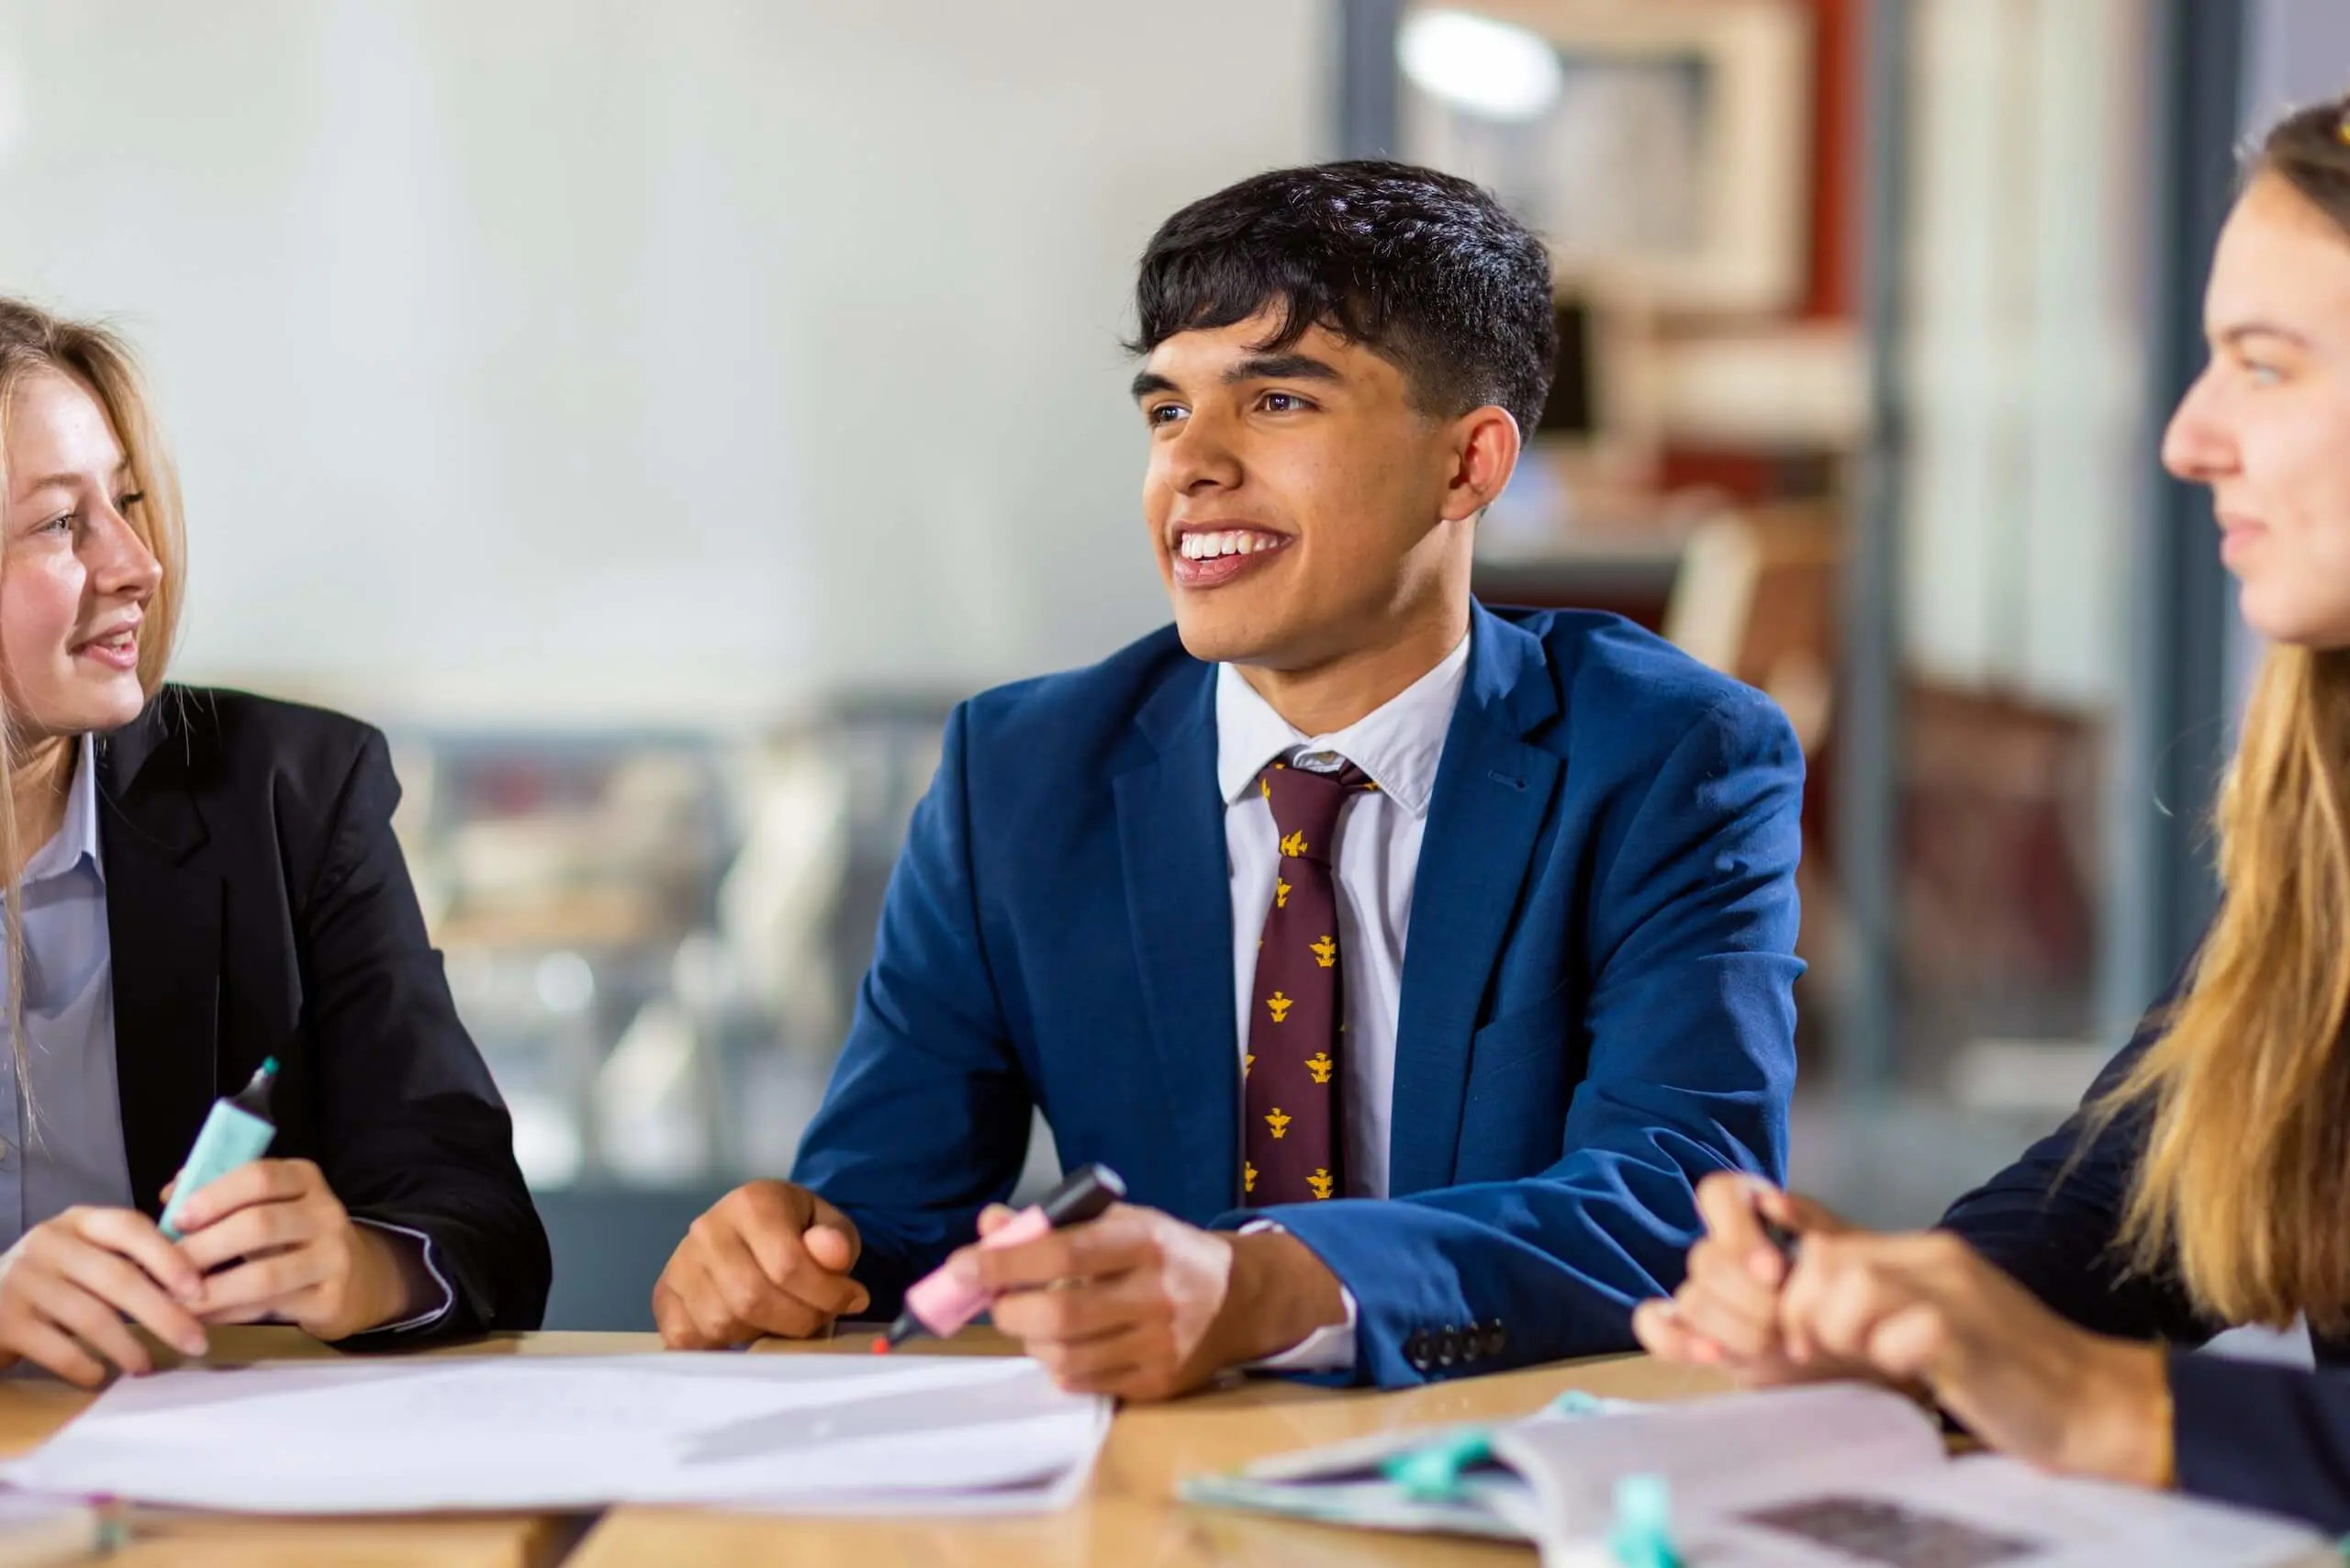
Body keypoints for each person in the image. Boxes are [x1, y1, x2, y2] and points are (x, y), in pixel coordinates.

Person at [656, 161, 1805, 1398]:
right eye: (1163, 412)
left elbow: (1678, 1208)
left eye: (1278, 406)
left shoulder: (1670, 757)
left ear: (1469, 465)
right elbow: (888, 1220)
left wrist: (1262, 1286)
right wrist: (784, 1251)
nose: (1190, 464)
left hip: (1513, 1452)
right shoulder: (1021, 777)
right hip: (1140, 1475)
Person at [1634, 95, 2350, 1533]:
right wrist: (1897, 1312)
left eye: (2263, 368)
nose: (2187, 438)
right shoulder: (2329, 797)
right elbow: (2130, 1196)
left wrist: (2101, 1402)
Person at [0, 299, 546, 1386]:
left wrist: (362, 1267)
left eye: (130, 503)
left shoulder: (291, 796)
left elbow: (479, 1220)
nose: (138, 564)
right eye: (64, 522)